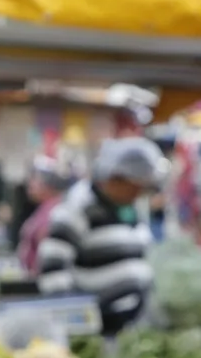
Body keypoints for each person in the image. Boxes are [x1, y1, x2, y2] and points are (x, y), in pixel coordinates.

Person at [39, 137, 168, 334]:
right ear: (115, 178)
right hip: (96, 328)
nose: (138, 194)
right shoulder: (76, 209)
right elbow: (52, 272)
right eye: (135, 187)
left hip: (130, 324)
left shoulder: (130, 208)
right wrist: (77, 323)